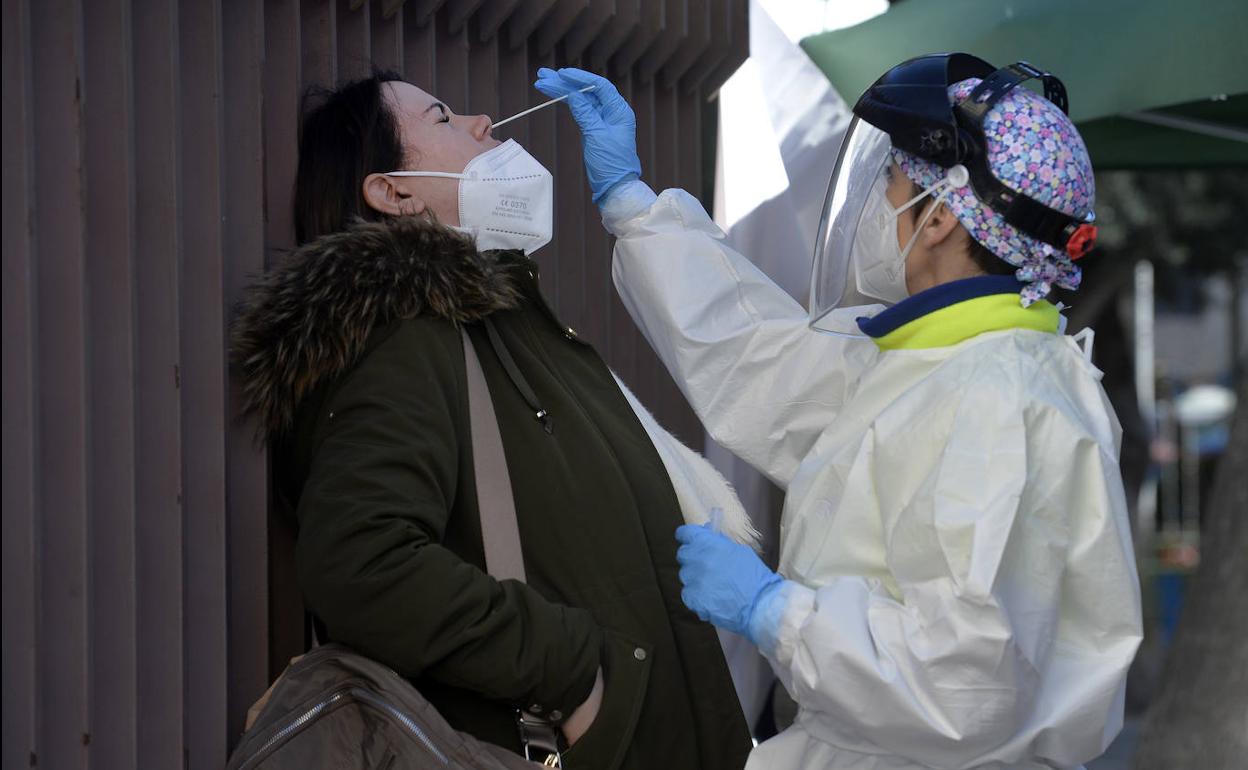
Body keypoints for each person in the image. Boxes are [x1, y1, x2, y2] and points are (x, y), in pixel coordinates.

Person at [537, 54, 1143, 770]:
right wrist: (635, 208)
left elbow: (964, 683)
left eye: (888, 180)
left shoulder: (998, 403)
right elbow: (765, 362)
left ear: (942, 216)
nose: (876, 203)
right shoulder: (942, 361)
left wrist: (773, 612)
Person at [231, 71, 753, 770]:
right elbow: (361, 561)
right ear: (392, 192)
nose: (482, 121)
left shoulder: (506, 327)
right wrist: (576, 674)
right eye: (442, 118)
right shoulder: (405, 341)